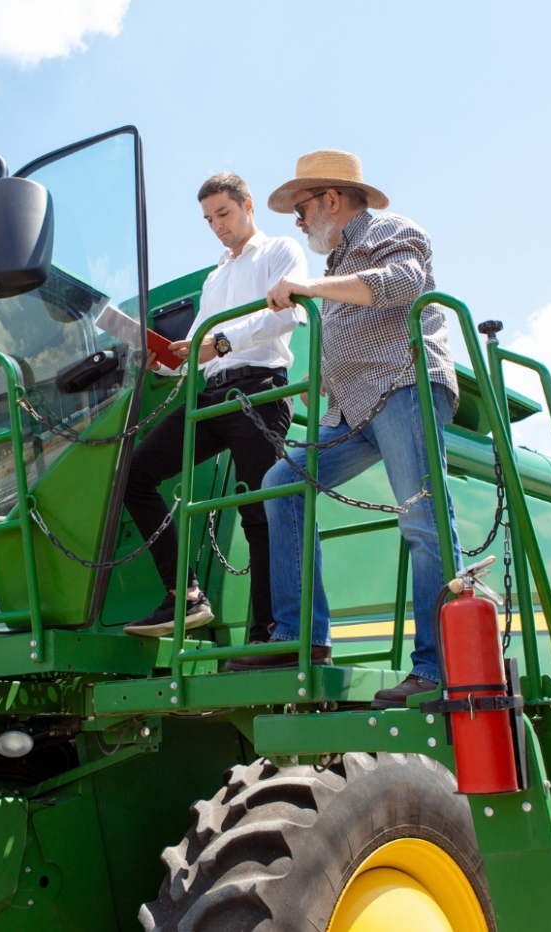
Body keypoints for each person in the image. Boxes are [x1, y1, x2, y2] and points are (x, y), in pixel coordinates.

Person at [227, 150, 461, 710]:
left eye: (302, 209)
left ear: (332, 199)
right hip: (354, 407)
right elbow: (354, 328)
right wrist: (323, 378)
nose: (300, 222)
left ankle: (437, 670)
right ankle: (300, 636)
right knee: (282, 482)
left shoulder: (391, 230)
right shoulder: (334, 269)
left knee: (422, 520)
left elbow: (399, 285)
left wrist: (306, 289)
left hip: (404, 384)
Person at [121, 173, 309, 640]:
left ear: (248, 205)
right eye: (208, 219)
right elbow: (198, 352)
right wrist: (162, 363)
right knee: (136, 474)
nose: (217, 225)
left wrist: (219, 341)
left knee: (257, 513)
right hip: (209, 396)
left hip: (259, 392)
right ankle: (184, 596)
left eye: (223, 213)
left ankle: (267, 635)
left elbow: (288, 313)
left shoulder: (280, 251)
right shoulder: (215, 277)